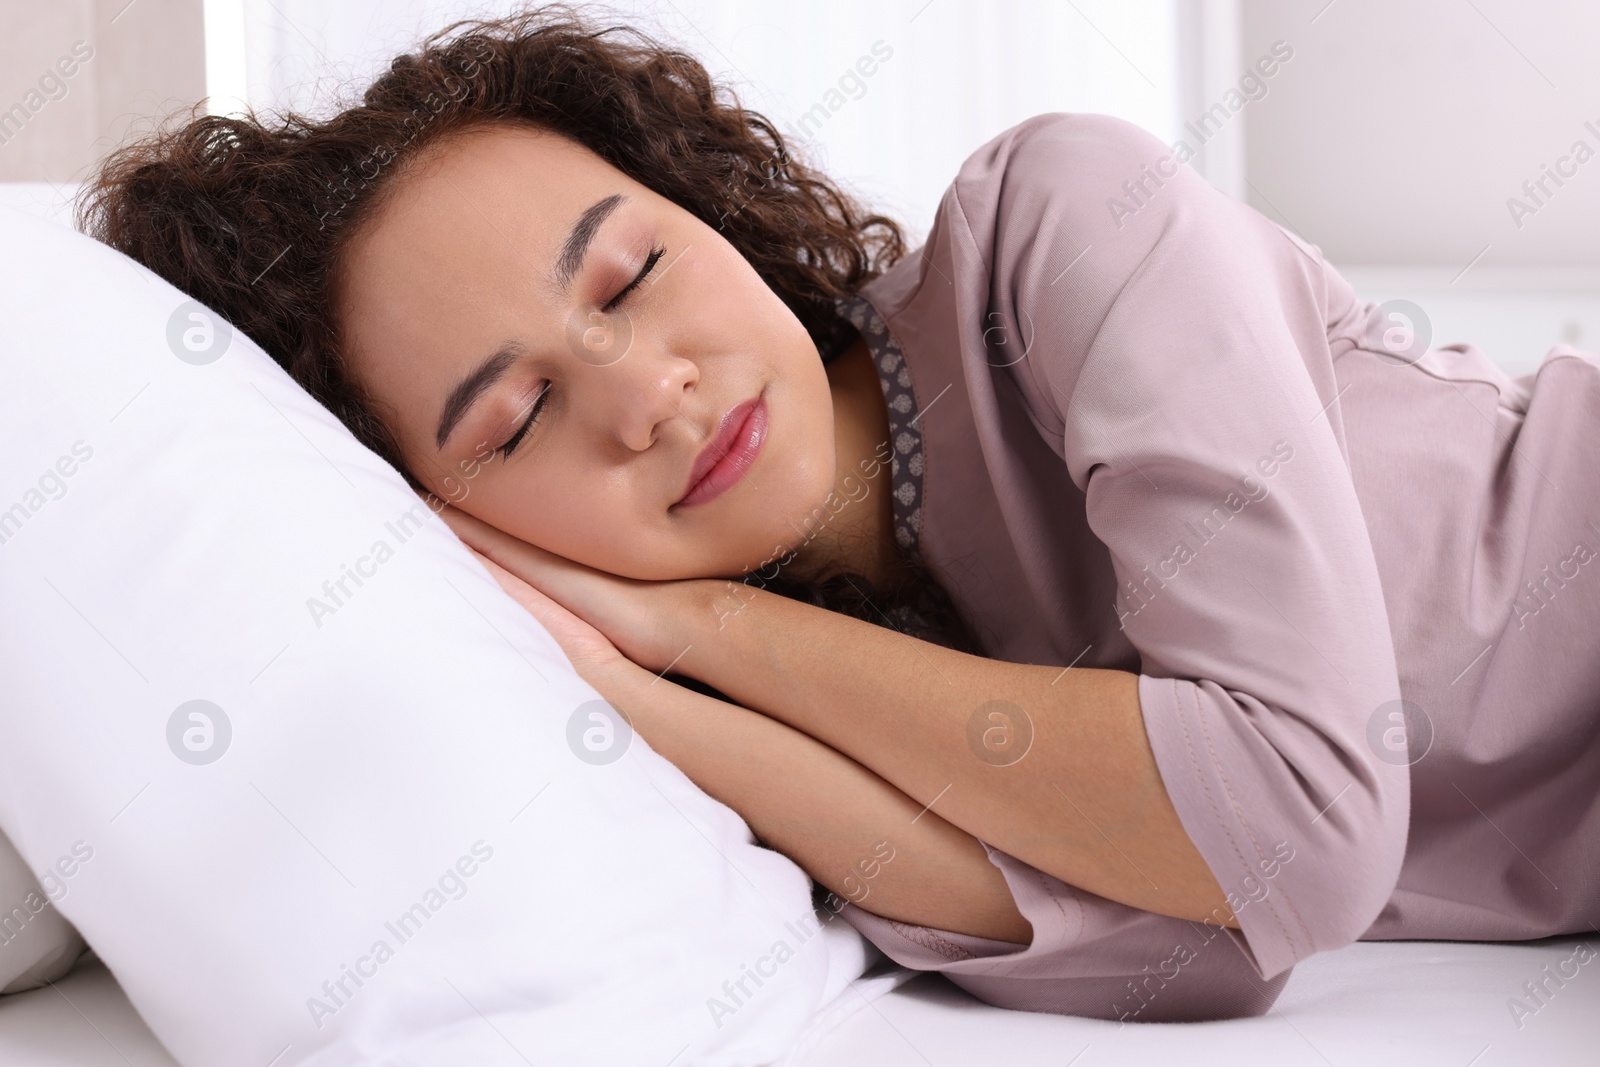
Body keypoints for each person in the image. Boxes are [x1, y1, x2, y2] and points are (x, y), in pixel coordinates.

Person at [79, 3, 1599, 1024]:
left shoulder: (1060, 223)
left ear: (712, 211)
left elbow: (1295, 834)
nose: (645, 395)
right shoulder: (790, 727)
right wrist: (625, 693)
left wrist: (701, 627)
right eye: (518, 417)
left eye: (629, 275)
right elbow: (1195, 946)